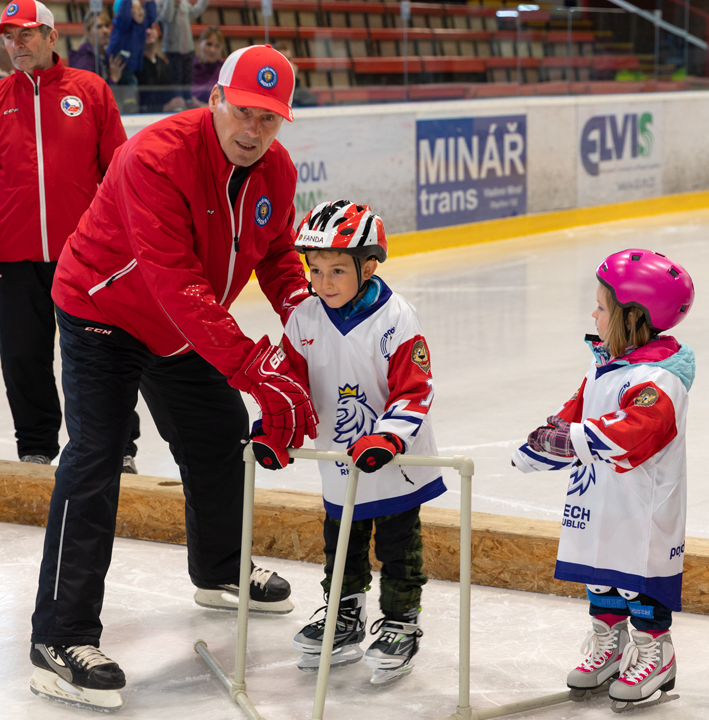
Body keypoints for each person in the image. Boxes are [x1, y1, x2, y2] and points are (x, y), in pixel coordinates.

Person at [27, 45, 312, 712]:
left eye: (268, 120)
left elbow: (275, 257)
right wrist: (253, 366)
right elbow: (174, 281)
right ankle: (59, 637)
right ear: (215, 99)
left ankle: (218, 571)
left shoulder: (276, 169)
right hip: (104, 309)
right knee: (96, 455)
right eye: (243, 112)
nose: (252, 131)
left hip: (182, 322)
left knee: (218, 432)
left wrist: (309, 327)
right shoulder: (155, 158)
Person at [252, 200, 442, 685]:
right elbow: (290, 386)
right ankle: (344, 614)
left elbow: (415, 389)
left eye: (338, 270)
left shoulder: (397, 318)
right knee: (341, 545)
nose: (324, 282)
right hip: (339, 461)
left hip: (393, 461)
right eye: (315, 270)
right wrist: (275, 432)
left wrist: (388, 437)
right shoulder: (304, 319)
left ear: (369, 265)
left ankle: (401, 619)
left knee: (400, 546)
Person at [0, 0, 143, 475]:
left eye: (24, 35)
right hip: (17, 257)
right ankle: (36, 446)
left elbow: (118, 169)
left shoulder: (91, 91)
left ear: (50, 36)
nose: (14, 45)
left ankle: (117, 445)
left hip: (86, 255)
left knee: (100, 354)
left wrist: (123, 238)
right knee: (23, 356)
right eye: (7, 37)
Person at [512, 249, 695, 712]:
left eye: (601, 307)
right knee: (600, 576)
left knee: (639, 582)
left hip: (641, 506)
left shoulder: (659, 379)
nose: (593, 314)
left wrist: (570, 439)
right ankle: (609, 645)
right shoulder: (603, 366)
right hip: (598, 500)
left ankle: (657, 653)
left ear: (632, 317)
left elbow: (634, 432)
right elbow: (573, 412)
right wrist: (536, 448)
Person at [159, 0, 207, 101]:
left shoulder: (183, 2)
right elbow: (168, 17)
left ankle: (187, 100)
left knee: (188, 77)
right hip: (173, 49)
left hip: (188, 48)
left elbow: (194, 12)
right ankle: (177, 101)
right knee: (176, 77)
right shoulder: (161, 2)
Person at [68, 10, 128, 87]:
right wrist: (113, 79)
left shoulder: (103, 56)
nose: (105, 30)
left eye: (107, 26)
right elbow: (92, 95)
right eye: (99, 27)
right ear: (87, 31)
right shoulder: (85, 61)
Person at [136, 22, 184, 113]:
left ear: (157, 32)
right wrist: (164, 108)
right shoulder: (134, 67)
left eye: (151, 27)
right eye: (144, 28)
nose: (148, 31)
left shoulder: (164, 66)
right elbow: (134, 107)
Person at [107, 0, 157, 75]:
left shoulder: (141, 25)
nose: (139, 10)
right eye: (133, 7)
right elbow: (124, 15)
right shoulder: (123, 26)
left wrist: (149, 2)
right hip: (121, 67)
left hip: (134, 66)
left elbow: (151, 17)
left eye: (140, 7)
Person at [189, 25, 222, 107]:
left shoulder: (225, 70)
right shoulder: (188, 68)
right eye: (209, 44)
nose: (212, 50)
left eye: (217, 46)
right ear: (200, 44)